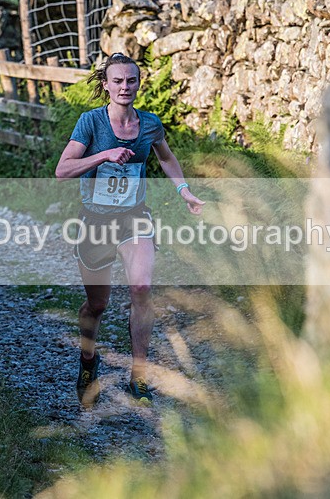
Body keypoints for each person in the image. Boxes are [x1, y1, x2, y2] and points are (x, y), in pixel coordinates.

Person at [55, 52, 205, 407]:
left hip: (134, 218)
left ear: (139, 84)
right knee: (97, 304)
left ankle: (139, 375)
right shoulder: (91, 123)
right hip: (95, 222)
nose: (125, 87)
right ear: (105, 85)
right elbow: (63, 169)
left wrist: (184, 192)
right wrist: (103, 156)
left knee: (141, 287)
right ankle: (88, 362)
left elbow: (166, 158)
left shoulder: (149, 124)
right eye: (118, 81)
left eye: (131, 80)